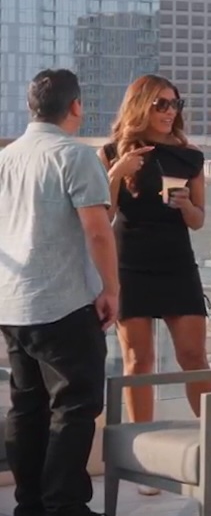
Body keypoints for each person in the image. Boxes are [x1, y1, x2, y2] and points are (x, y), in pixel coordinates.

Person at [0, 69, 119, 516]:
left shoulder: (6, 158)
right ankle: (64, 506)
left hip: (11, 302)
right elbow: (99, 233)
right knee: (75, 405)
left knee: (27, 407)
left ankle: (30, 505)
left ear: (31, 107)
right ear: (76, 106)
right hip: (63, 301)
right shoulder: (75, 155)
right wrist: (111, 289)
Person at [100, 75, 211, 498]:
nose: (169, 112)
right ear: (141, 106)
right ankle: (145, 457)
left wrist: (187, 207)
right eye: (161, 104)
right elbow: (104, 213)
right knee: (138, 360)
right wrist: (116, 172)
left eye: (174, 104)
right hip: (130, 265)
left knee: (193, 357)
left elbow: (200, 221)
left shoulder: (191, 156)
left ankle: (210, 444)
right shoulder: (112, 152)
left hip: (177, 263)